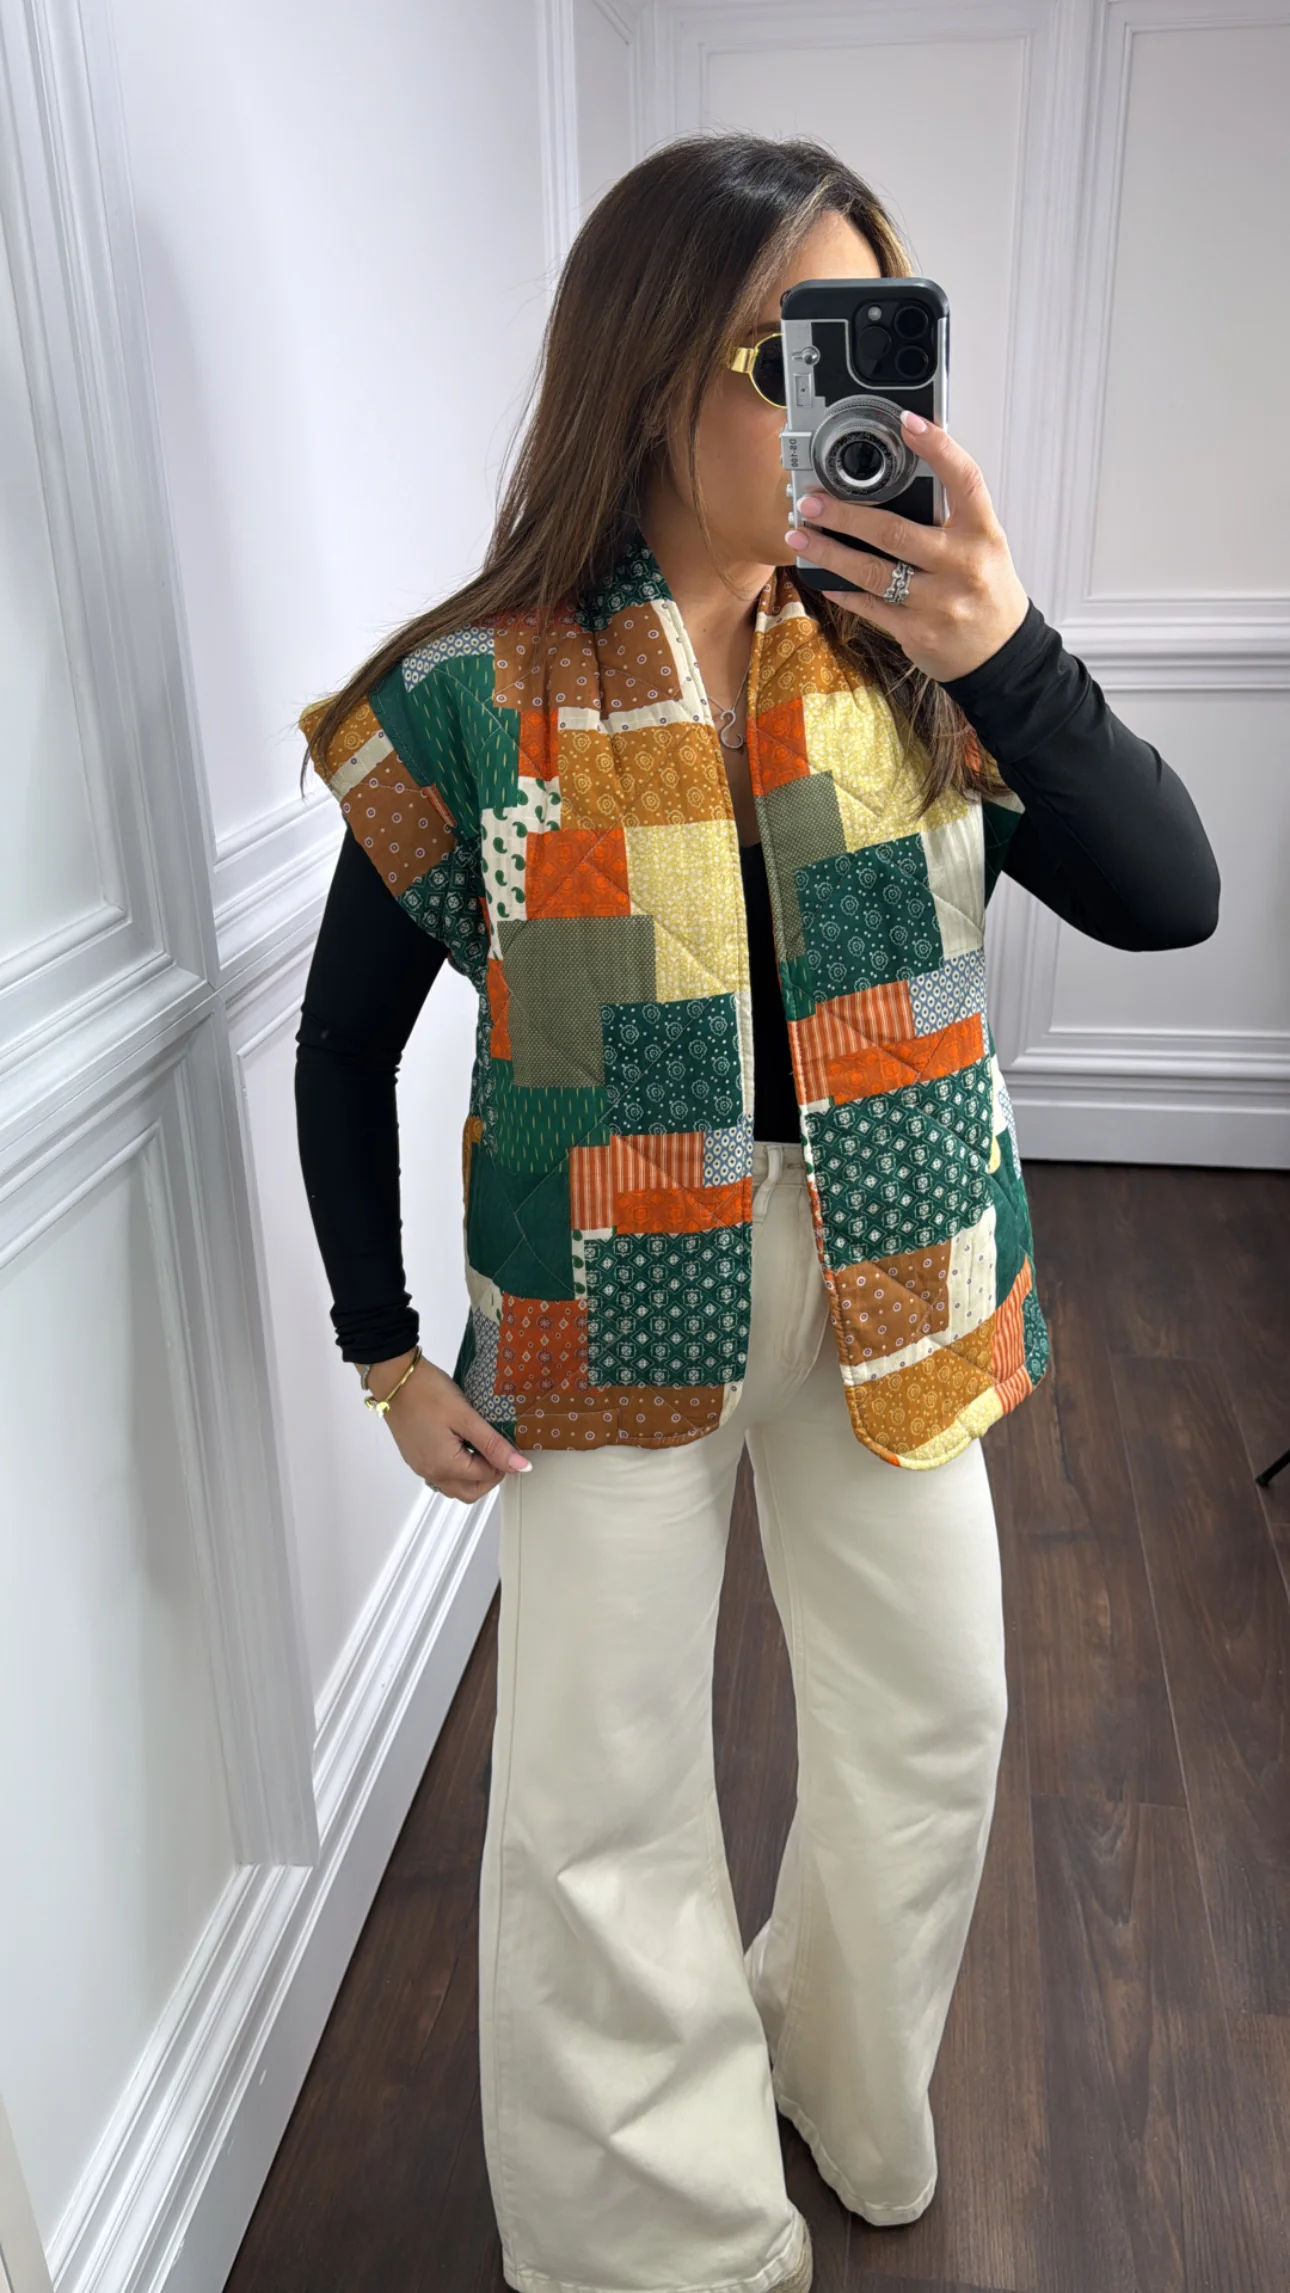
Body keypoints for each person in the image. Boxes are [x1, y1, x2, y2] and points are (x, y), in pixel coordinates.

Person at [295, 133, 1219, 2293]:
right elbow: (342, 1046)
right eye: (778, 351)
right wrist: (382, 1349)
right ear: (647, 368)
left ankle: (832, 2067)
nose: (835, 401)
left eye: (869, 343)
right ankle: (658, 2238)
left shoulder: (917, 656)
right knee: (600, 1792)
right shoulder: (480, 689)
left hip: (899, 1271)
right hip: (603, 1302)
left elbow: (1171, 898)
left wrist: (1007, 646)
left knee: (934, 1727)